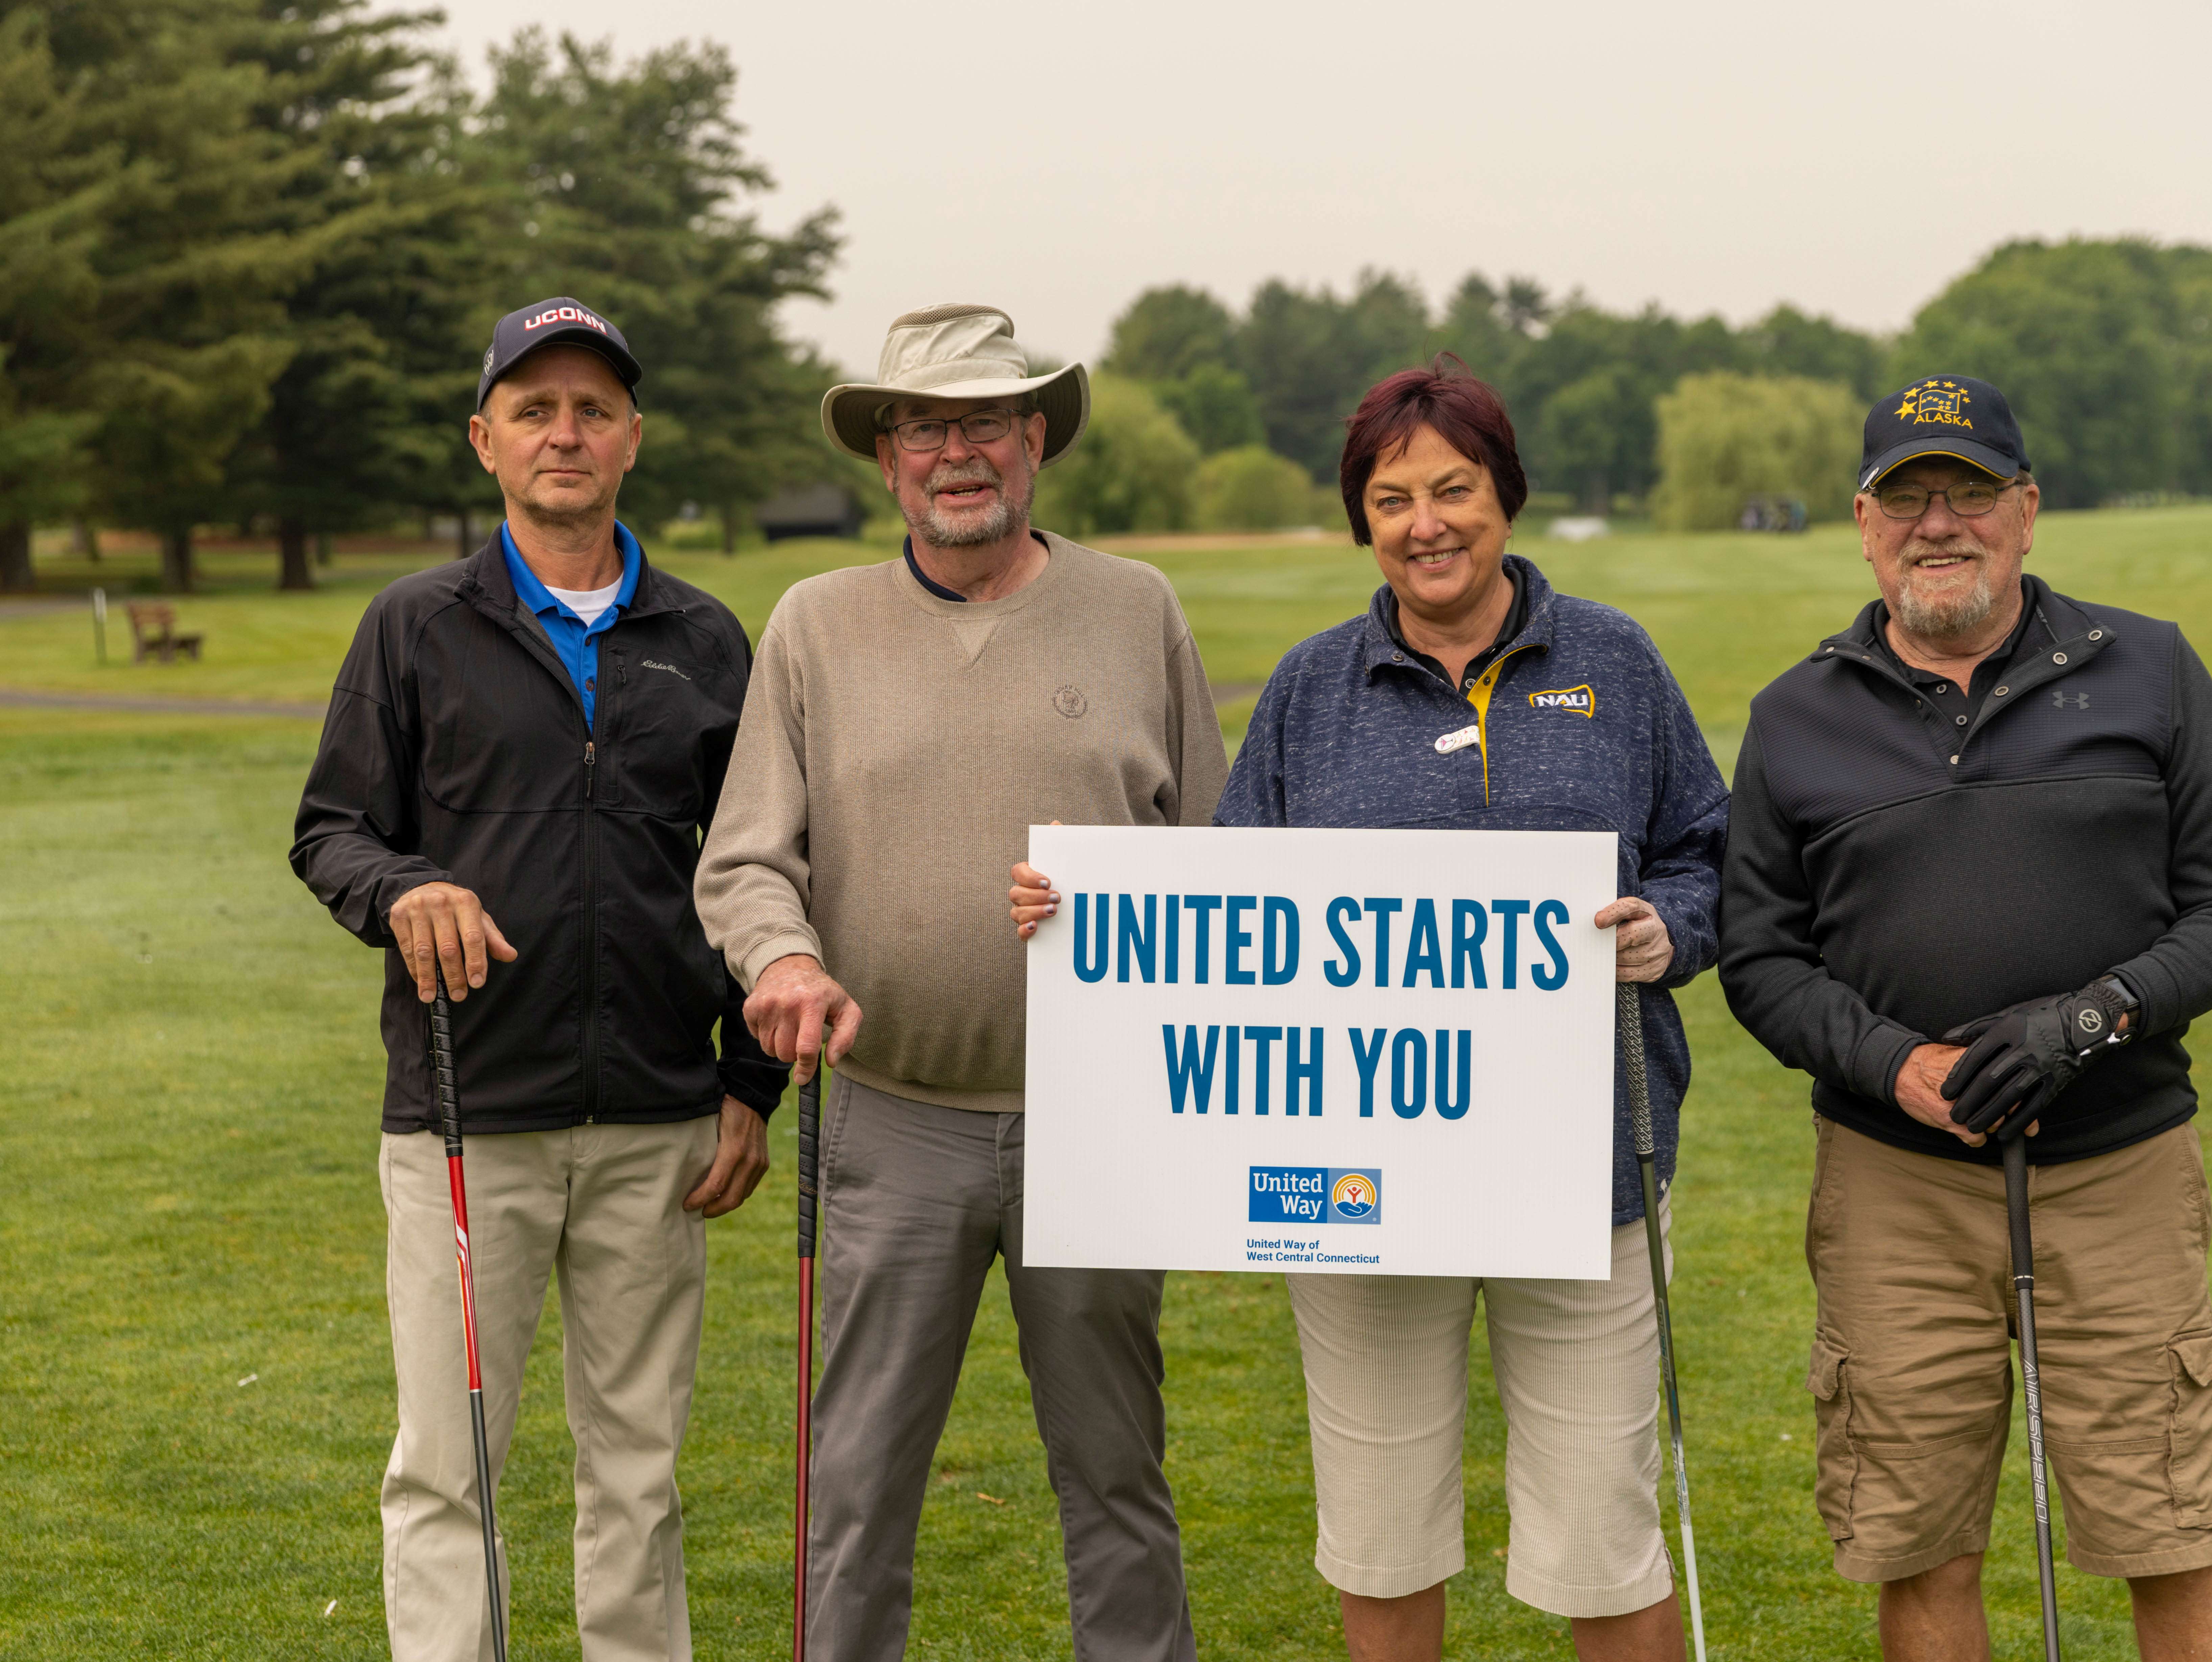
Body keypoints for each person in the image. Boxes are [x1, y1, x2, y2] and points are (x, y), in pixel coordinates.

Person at [1015, 357, 1726, 1662]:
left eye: (1453, 488)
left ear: (1504, 497)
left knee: (1602, 1541)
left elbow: (1712, 851)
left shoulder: (1615, 665)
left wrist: (1668, 928)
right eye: (1392, 498)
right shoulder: (1309, 688)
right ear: (1364, 518)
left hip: (1588, 1181)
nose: (1426, 523)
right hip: (1356, 1189)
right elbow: (1228, 915)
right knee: (1382, 1531)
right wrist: (1082, 915)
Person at [1718, 375, 2212, 1662]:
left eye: (1970, 492)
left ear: (2026, 511)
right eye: (1907, 496)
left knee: (2169, 1527)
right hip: (1895, 1185)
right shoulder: (1795, 715)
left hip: (2121, 1169)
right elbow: (1760, 957)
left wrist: (2088, 1022)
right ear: (1864, 525)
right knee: (1920, 1540)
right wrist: (1897, 1065)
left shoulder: (2149, 666)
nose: (1940, 523)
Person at [695, 302, 1226, 1662]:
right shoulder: (815, 623)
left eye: (986, 421)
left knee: (1117, 1475)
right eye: (926, 425)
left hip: (1101, 1123)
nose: (958, 452)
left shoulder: (1137, 608)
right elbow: (747, 858)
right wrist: (787, 958)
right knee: (857, 1487)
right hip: (889, 1120)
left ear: (1035, 436)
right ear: (886, 456)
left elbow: (1217, 865)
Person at [290, 296, 787, 1662]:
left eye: (591, 409)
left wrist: (750, 1078)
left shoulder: (707, 637)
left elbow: (763, 865)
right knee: (450, 1461)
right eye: (534, 409)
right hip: (466, 1113)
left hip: (658, 1116)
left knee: (638, 1465)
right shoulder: (415, 624)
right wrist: (405, 889)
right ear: (486, 440)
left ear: (632, 438)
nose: (563, 432)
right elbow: (331, 830)